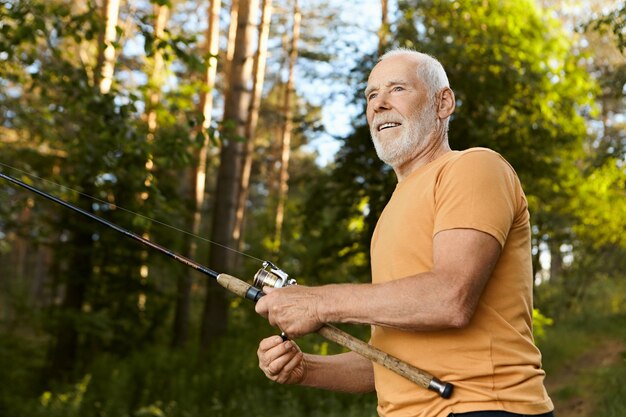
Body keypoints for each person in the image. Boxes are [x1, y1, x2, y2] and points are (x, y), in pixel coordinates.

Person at [255, 49, 555, 417]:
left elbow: (450, 298)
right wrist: (306, 369)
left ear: (443, 102)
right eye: (370, 95)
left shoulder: (473, 167)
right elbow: (393, 357)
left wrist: (318, 302)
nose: (379, 103)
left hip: (485, 408)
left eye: (397, 88)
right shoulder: (388, 216)